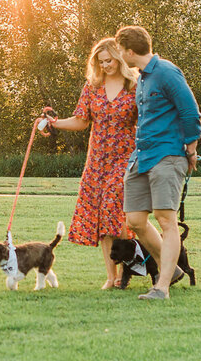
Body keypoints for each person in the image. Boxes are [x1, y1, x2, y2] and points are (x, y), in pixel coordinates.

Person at [115, 25, 201, 301]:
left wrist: (191, 149)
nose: (119, 56)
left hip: (167, 155)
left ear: (129, 50)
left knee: (166, 220)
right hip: (141, 157)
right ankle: (172, 269)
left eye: (119, 50)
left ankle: (161, 287)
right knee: (136, 220)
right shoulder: (141, 78)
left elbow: (190, 112)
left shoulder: (166, 72)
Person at [47, 37, 140, 289]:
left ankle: (127, 271)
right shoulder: (93, 86)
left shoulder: (134, 84)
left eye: (109, 60)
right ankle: (112, 277)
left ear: (119, 58)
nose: (106, 65)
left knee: (115, 211)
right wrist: (55, 124)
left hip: (125, 157)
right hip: (97, 161)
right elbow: (81, 120)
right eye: (101, 62)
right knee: (101, 218)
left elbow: (148, 119)